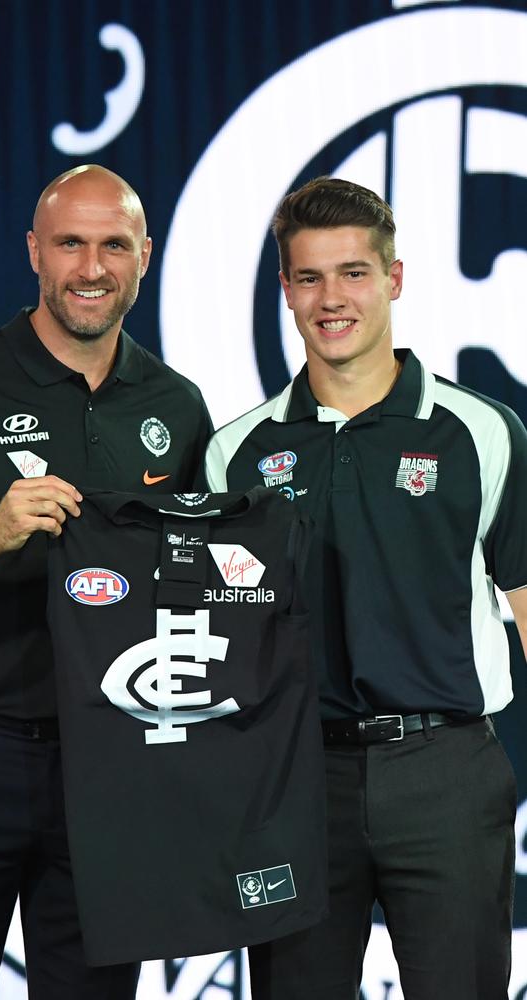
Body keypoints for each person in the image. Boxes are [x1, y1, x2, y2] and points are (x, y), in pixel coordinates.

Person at [0, 164, 212, 1000]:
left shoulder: (179, 404)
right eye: (70, 243)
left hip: (114, 761)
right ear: (34, 251)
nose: (90, 267)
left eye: (112, 245)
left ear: (145, 255)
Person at [205, 176, 527, 1000]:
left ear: (395, 278)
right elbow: (216, 636)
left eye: (353, 272)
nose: (331, 299)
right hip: (296, 779)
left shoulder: (482, 432)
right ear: (284, 290)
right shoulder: (236, 454)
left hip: (445, 770)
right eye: (308, 277)